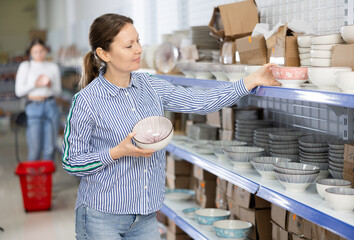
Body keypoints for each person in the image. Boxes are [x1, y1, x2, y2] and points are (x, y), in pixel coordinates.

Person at [62, 13, 281, 240]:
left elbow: (200, 102)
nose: (138, 49)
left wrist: (250, 80)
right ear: (103, 53)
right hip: (101, 216)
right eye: (129, 45)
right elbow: (71, 162)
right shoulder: (87, 101)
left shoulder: (151, 86)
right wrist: (117, 152)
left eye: (138, 41)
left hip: (145, 216)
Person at [15, 38, 61, 161]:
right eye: (35, 51)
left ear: (46, 50)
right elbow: (19, 92)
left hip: (51, 105)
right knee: (35, 148)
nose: (39, 54)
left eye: (41, 51)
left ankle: (46, 179)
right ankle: (34, 179)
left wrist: (49, 85)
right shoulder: (26, 66)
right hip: (33, 107)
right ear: (30, 52)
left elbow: (58, 91)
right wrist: (36, 84)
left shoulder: (53, 67)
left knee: (50, 147)